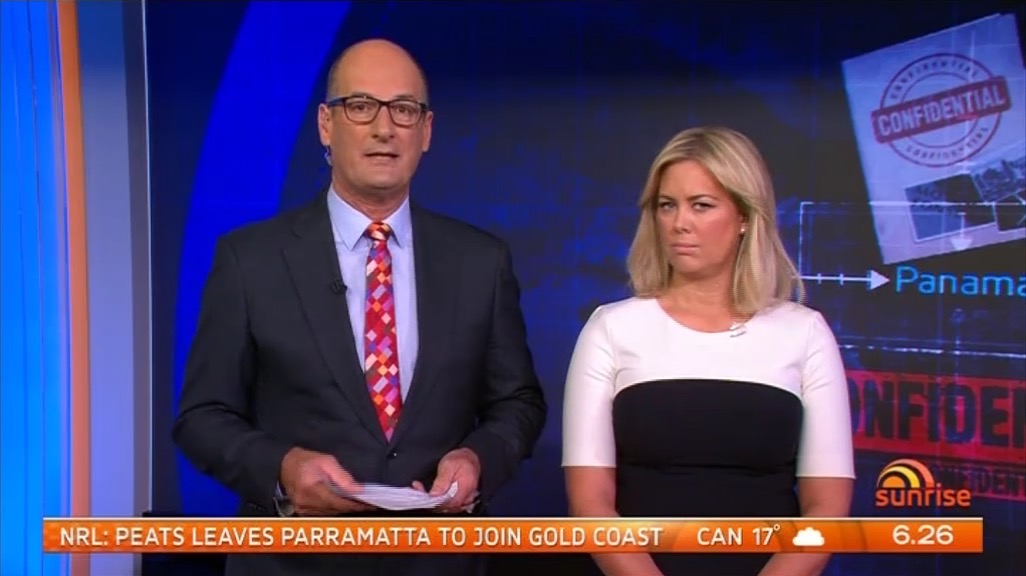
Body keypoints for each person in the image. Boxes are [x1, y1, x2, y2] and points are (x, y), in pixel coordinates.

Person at [173, 38, 547, 576]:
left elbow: (518, 403)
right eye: (361, 106)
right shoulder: (250, 260)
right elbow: (203, 417)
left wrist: (477, 459)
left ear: (426, 131)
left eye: (404, 109)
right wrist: (282, 468)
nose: (383, 128)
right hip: (293, 563)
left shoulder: (480, 262)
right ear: (326, 125)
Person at [562, 126, 854, 576]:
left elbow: (826, 511)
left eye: (701, 205)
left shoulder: (804, 333)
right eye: (667, 205)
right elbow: (590, 505)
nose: (679, 223)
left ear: (744, 217)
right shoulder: (612, 328)